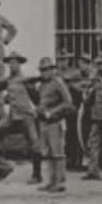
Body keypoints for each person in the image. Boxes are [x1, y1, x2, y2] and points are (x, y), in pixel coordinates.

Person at [0, 52, 42, 184]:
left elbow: (36, 98)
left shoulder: (26, 81)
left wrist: (37, 111)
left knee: (34, 144)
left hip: (26, 117)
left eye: (15, 63)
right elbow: (0, 88)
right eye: (10, 63)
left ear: (19, 64)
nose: (12, 65)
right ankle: (1, 167)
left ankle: (37, 175)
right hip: (12, 117)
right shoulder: (9, 80)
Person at [35, 58, 74, 192]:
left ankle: (60, 182)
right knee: (49, 153)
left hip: (55, 122)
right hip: (44, 122)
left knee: (57, 152)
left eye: (47, 69)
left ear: (53, 70)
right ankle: (52, 181)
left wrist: (52, 112)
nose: (44, 72)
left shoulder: (58, 83)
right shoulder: (42, 86)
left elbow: (68, 102)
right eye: (42, 70)